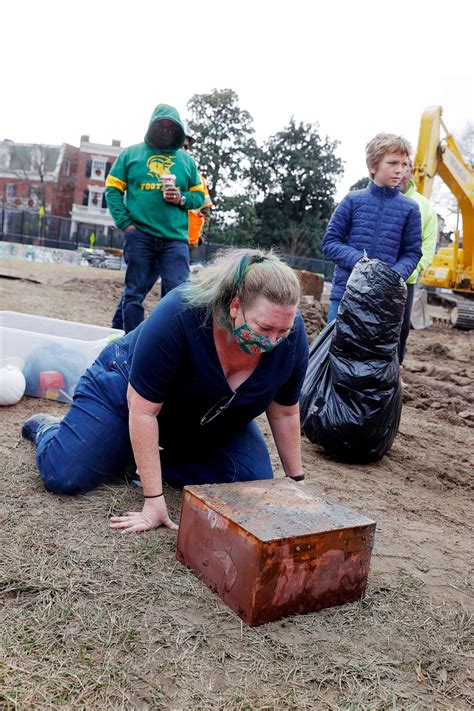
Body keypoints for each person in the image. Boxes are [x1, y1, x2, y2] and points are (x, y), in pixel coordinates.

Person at [21, 249, 309, 533]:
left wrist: (296, 484)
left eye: (282, 332)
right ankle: (49, 429)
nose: (273, 341)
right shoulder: (181, 312)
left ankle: (136, 459)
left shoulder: (290, 335)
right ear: (234, 306)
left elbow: (284, 412)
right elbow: (144, 409)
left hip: (204, 419)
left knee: (250, 482)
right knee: (66, 473)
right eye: (264, 328)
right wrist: (154, 501)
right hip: (129, 394)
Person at [106, 103, 205, 334]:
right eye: (161, 125)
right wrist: (126, 224)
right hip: (140, 235)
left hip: (174, 239)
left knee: (177, 295)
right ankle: (131, 344)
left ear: (178, 130)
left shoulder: (186, 161)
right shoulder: (131, 154)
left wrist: (181, 198)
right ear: (152, 125)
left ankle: (164, 342)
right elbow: (112, 189)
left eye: (171, 127)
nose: (165, 131)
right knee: (134, 293)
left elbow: (199, 196)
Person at [323, 133, 422, 326]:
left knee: (373, 354)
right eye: (392, 163)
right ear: (373, 166)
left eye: (404, 164)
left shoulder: (410, 209)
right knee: (334, 350)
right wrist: (362, 263)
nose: (399, 170)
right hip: (346, 291)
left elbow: (412, 253)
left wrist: (390, 276)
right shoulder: (352, 200)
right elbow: (330, 242)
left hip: (384, 300)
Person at [398, 160, 438, 362]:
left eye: (404, 167)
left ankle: (396, 368)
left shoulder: (423, 206)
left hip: (407, 279)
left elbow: (429, 241)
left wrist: (417, 267)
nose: (399, 172)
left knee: (401, 329)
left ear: (411, 172)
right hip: (376, 277)